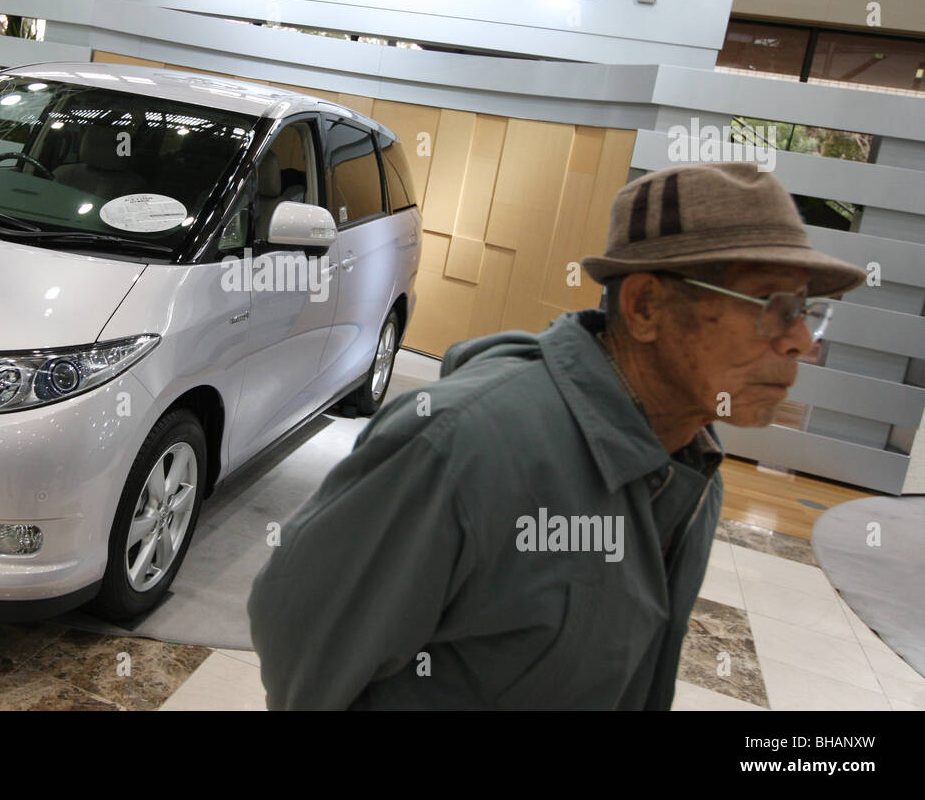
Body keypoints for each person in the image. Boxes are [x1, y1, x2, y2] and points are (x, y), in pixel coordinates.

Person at [247, 161, 866, 709]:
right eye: (770, 303)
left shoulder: (692, 469)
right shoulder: (465, 444)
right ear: (646, 307)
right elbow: (298, 628)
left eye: (806, 310)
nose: (800, 341)